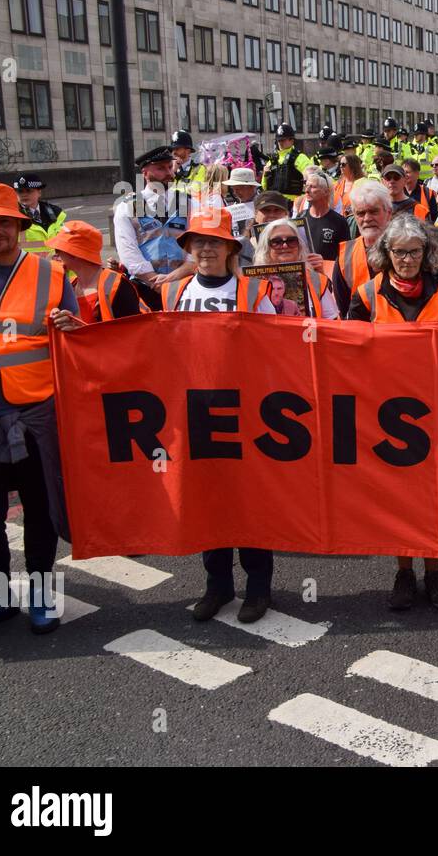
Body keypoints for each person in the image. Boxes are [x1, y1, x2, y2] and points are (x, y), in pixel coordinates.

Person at [0, 184, 78, 638]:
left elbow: (77, 340)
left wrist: (72, 327)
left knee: (40, 509)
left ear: (18, 225)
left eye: (3, 221)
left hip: (35, 414)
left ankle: (42, 595)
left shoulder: (51, 275)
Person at [161, 207, 276, 622]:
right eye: (199, 241)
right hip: (195, 415)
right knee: (208, 501)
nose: (206, 248)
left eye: (215, 241)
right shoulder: (171, 294)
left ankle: (258, 588)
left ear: (231, 249)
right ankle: (218, 586)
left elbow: (275, 354)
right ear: (190, 248)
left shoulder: (253, 294)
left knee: (248, 502)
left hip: (246, 415)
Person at [345, 216, 438, 610]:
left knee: (434, 494)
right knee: (397, 494)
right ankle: (403, 572)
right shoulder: (365, 295)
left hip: (436, 406)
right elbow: (349, 352)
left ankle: (434, 571)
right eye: (399, 252)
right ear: (386, 254)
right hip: (386, 411)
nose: (407, 259)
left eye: (415, 251)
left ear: (427, 253)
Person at [112, 145, 194, 311]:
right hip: (144, 289)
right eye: (160, 169)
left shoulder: (187, 202)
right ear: (145, 172)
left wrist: (173, 278)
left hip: (183, 284)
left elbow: (195, 245)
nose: (169, 173)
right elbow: (128, 252)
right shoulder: (128, 206)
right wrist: (156, 281)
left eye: (170, 167)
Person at [46, 221, 146, 323]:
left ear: (74, 254)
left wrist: (82, 331)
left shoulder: (117, 286)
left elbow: (132, 334)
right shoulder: (70, 286)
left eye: (58, 250)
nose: (55, 256)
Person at [251, 217, 339, 319]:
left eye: (291, 240)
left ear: (299, 246)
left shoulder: (317, 280)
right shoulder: (251, 284)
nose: (284, 246)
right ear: (266, 248)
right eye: (277, 242)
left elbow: (332, 322)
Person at [331, 180, 396, 316]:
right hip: (359, 332)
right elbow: (343, 309)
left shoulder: (406, 249)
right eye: (361, 213)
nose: (367, 218)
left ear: (388, 213)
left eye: (373, 211)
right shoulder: (345, 255)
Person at [300, 172, 351, 262]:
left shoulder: (339, 221)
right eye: (306, 186)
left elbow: (346, 257)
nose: (307, 190)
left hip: (329, 274)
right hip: (306, 273)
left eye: (312, 187)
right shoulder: (301, 217)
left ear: (326, 191)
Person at [13, 174, 67, 254]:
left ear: (39, 192)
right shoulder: (12, 215)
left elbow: (64, 240)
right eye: (20, 191)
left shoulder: (55, 213)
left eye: (28, 190)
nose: (24, 195)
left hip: (54, 264)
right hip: (26, 263)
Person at [262, 123, 312, 201]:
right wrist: (265, 175)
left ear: (292, 140)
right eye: (279, 140)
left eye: (283, 140)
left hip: (294, 204)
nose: (280, 142)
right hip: (275, 204)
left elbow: (312, 183)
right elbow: (265, 187)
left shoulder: (301, 158)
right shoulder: (272, 160)